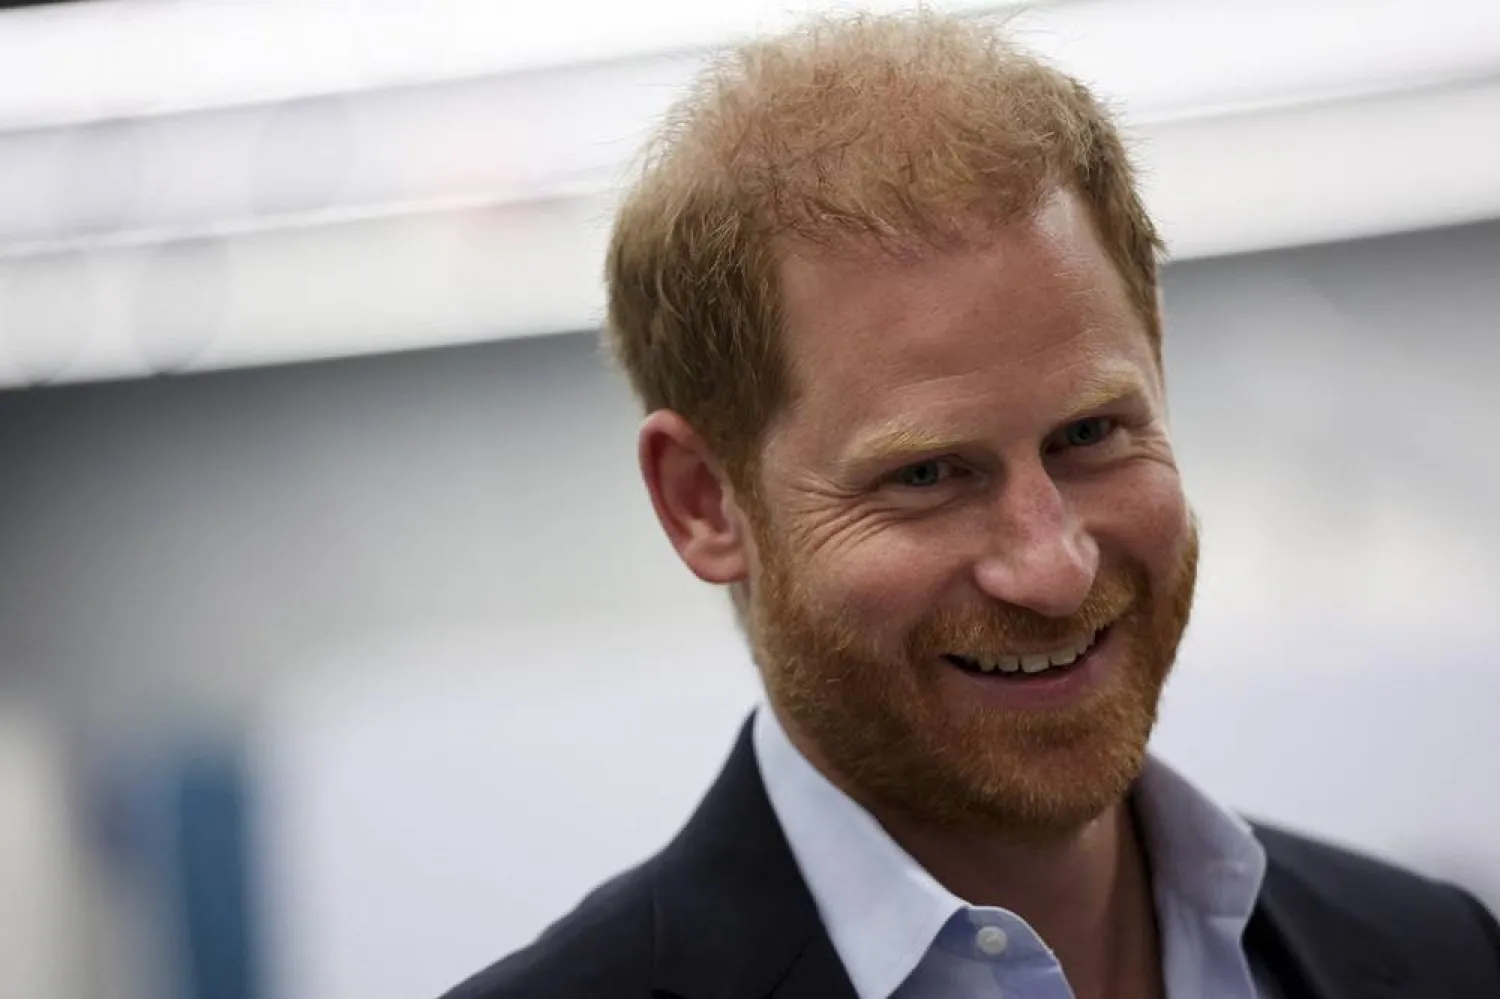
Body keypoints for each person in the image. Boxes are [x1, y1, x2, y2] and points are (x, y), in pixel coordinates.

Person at [442, 12, 1500, 999]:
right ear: (703, 501)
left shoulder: (1431, 957)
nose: (1053, 568)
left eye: (1089, 435)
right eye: (926, 475)